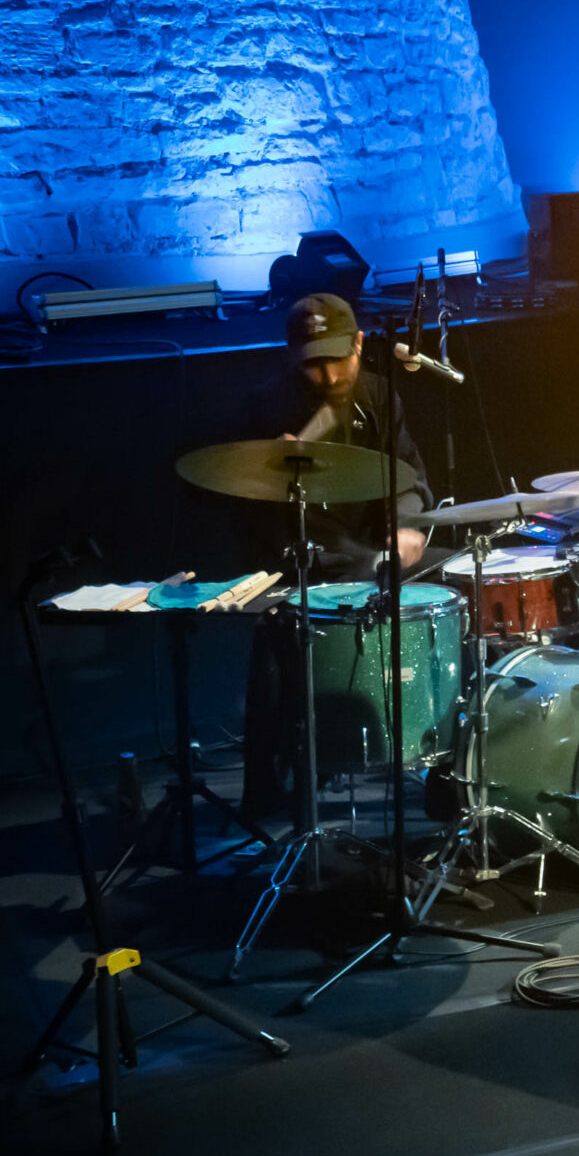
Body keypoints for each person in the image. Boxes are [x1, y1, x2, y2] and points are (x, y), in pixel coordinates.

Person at [235, 294, 432, 819]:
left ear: (360, 343)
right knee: (278, 625)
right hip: (305, 558)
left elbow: (407, 476)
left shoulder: (379, 395)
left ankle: (457, 767)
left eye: (338, 359)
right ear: (291, 356)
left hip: (373, 547)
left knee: (464, 574)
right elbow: (243, 510)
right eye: (313, 364)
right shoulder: (265, 408)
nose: (328, 376)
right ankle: (271, 787)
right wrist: (269, 473)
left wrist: (405, 527)